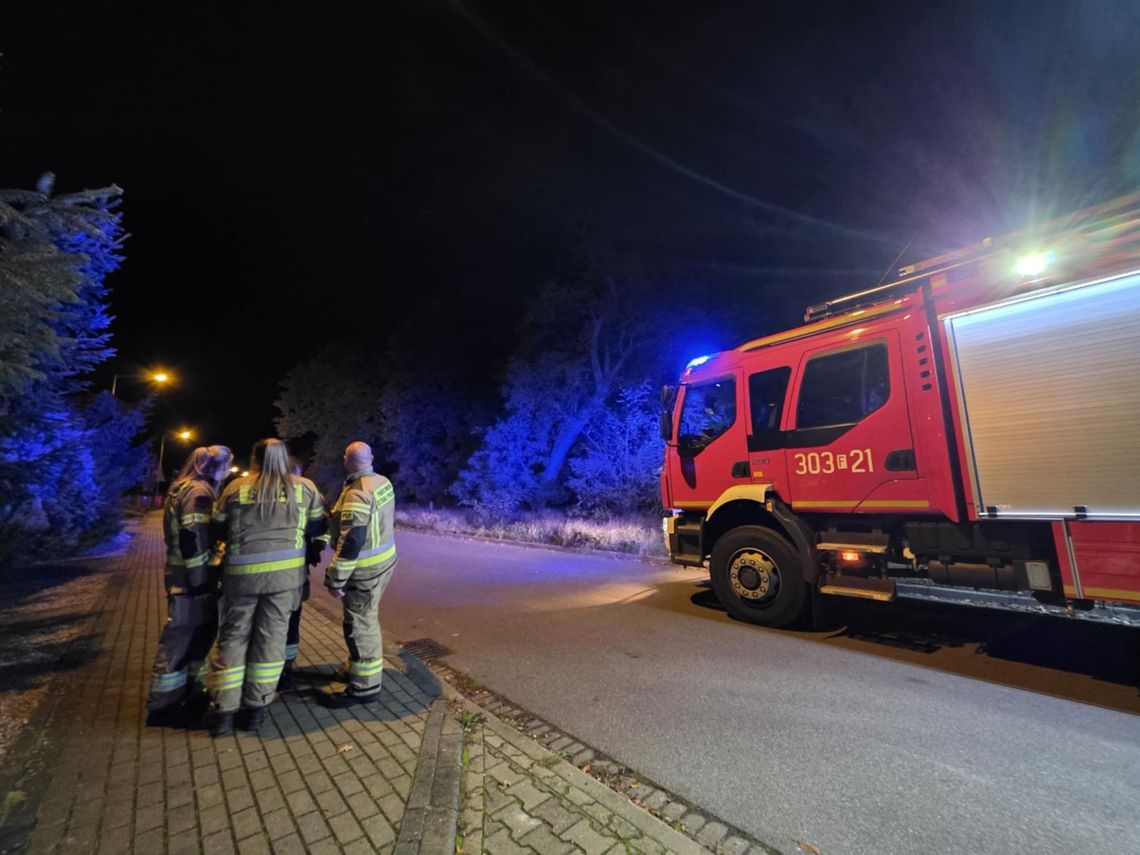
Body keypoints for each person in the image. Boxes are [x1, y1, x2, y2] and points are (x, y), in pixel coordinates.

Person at [207, 439, 327, 735]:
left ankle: (224, 711)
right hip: (285, 580)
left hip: (241, 576)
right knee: (271, 641)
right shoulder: (305, 487)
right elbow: (318, 527)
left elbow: (217, 527)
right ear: (285, 458)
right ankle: (256, 709)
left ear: (255, 458)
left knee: (234, 638)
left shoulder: (236, 487)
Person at [146, 444, 233, 727]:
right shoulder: (198, 493)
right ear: (217, 466)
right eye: (227, 465)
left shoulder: (184, 488)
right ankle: (164, 707)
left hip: (184, 578)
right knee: (180, 640)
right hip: (190, 582)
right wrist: (200, 581)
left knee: (196, 638)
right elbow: (191, 539)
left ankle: (186, 694)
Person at [323, 441, 398, 708]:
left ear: (346, 459)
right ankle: (356, 668)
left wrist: (336, 578)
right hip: (384, 563)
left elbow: (352, 540)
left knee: (360, 626)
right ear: (371, 459)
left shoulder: (357, 493)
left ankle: (365, 688)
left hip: (364, 571)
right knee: (365, 619)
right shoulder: (382, 482)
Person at [279, 455, 328, 690]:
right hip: (294, 572)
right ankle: (284, 673)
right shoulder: (309, 490)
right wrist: (317, 546)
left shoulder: (254, 490)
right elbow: (321, 524)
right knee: (291, 621)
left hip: (250, 575)